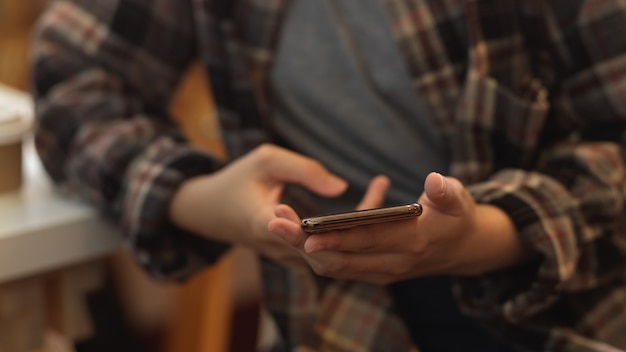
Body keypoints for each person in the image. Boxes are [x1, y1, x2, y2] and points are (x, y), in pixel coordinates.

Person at [32, 0, 626, 350]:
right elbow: (73, 83)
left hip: (572, 310)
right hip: (331, 318)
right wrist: (199, 197)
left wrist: (486, 236)